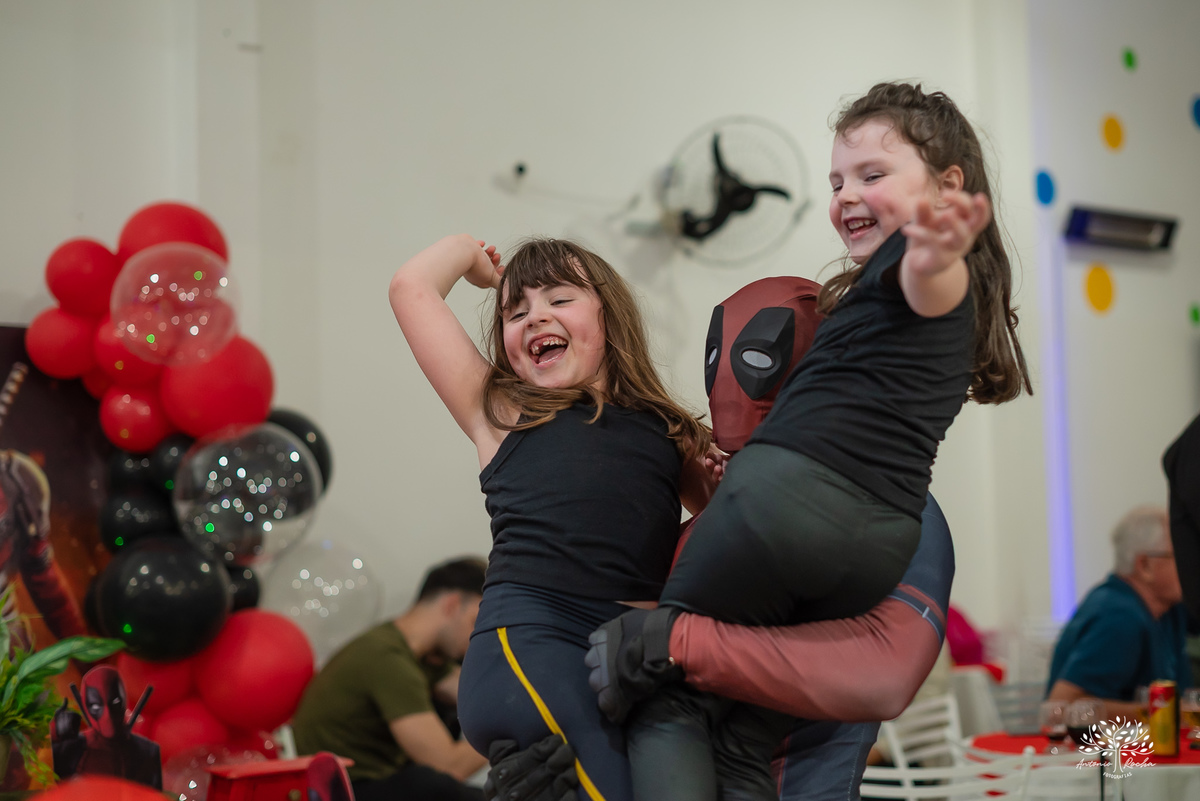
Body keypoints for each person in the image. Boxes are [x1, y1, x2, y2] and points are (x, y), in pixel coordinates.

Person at [588, 81, 1032, 801]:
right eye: (836, 181)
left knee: (662, 696)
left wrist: (935, 249)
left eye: (871, 175)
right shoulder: (926, 314)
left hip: (794, 501)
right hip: (873, 541)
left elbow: (929, 284)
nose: (846, 195)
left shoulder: (912, 271)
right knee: (735, 742)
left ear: (948, 187)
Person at [486, 277, 957, 801]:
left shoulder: (888, 508)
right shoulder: (691, 530)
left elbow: (885, 674)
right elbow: (621, 664)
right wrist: (563, 749)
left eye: (760, 359)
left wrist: (685, 645)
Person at [389, 235, 713, 801]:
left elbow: (729, 518)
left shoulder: (671, 428)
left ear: (608, 316)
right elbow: (411, 289)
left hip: (633, 658)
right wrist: (473, 259)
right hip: (535, 641)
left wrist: (719, 467)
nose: (536, 315)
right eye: (517, 311)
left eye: (559, 300)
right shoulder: (500, 410)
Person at [290, 556, 489, 801]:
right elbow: (448, 765)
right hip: (340, 791)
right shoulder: (387, 659)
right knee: (432, 784)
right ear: (452, 604)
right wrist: (510, 728)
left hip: (374, 781)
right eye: (475, 622)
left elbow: (477, 696)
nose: (477, 637)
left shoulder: (422, 656)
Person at [1045, 506, 1190, 720]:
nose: (1191, 564)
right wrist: (1166, 713)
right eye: (1179, 554)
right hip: (1101, 751)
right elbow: (1060, 708)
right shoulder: (1118, 617)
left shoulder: (1168, 610)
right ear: (1145, 565)